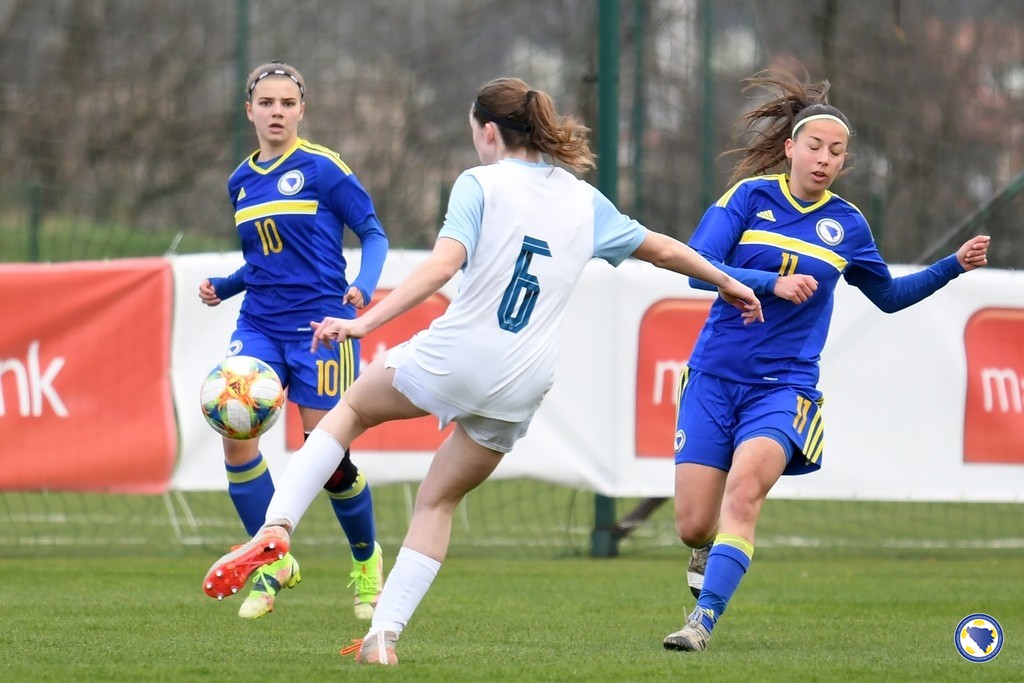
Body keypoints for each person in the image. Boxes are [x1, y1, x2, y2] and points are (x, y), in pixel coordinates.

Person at [202, 76, 762, 664]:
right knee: (437, 502)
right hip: (523, 382)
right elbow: (664, 249)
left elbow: (443, 266)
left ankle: (278, 525)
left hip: (458, 354)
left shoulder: (480, 183)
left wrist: (365, 323)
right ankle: (382, 638)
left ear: (488, 131)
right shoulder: (583, 199)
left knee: (347, 415)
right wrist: (728, 282)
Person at [663, 68, 991, 652]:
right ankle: (703, 548)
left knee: (745, 489)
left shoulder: (849, 225)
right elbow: (696, 268)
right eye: (815, 146)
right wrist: (769, 283)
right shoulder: (749, 197)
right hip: (713, 376)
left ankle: (701, 622)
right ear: (791, 148)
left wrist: (953, 266)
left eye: (836, 152)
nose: (824, 159)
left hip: (783, 388)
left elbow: (888, 296)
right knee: (693, 523)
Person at [198, 61, 389, 621]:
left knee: (327, 460)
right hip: (259, 323)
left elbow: (373, 231)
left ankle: (366, 560)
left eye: (286, 103)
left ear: (302, 110)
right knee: (235, 434)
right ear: (249, 111)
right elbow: (265, 259)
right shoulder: (240, 179)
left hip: (321, 330)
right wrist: (226, 285)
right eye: (266, 103)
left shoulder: (324, 168)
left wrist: (363, 286)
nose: (276, 112)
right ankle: (272, 563)